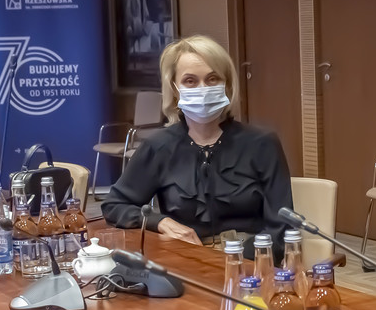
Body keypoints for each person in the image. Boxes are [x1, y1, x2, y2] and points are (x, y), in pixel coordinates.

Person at [101, 35, 293, 248]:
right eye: (190, 81)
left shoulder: (262, 143)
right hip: (187, 257)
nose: (202, 89)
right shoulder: (158, 146)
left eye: (212, 79)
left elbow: (281, 229)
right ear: (174, 89)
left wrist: (239, 259)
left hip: (252, 259)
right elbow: (114, 205)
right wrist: (160, 222)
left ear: (227, 85)